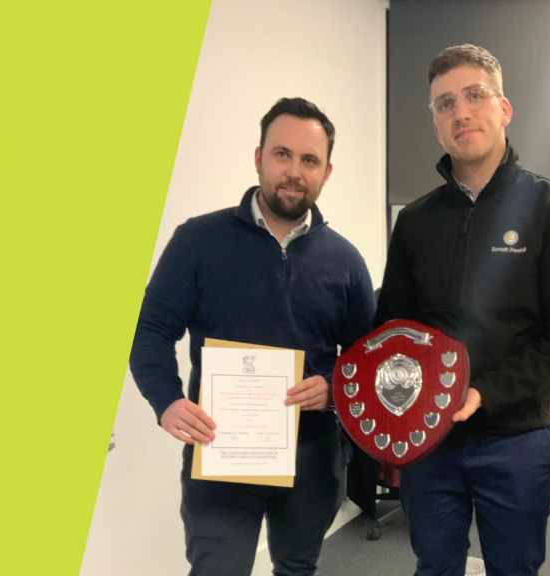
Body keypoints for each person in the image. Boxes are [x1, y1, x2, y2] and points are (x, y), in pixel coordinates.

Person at [130, 97, 375, 576]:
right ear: (259, 157)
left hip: (312, 455)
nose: (294, 172)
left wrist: (334, 388)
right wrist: (166, 400)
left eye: (309, 160)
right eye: (282, 154)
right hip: (220, 451)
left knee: (297, 568)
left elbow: (366, 357)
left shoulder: (346, 261)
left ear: (326, 172)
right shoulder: (197, 241)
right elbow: (151, 329)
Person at [376, 44, 550, 576]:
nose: (461, 112)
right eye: (444, 103)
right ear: (435, 122)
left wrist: (485, 393)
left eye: (475, 95)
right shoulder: (416, 222)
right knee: (435, 568)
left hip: (516, 439)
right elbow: (392, 329)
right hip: (429, 440)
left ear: (504, 108)